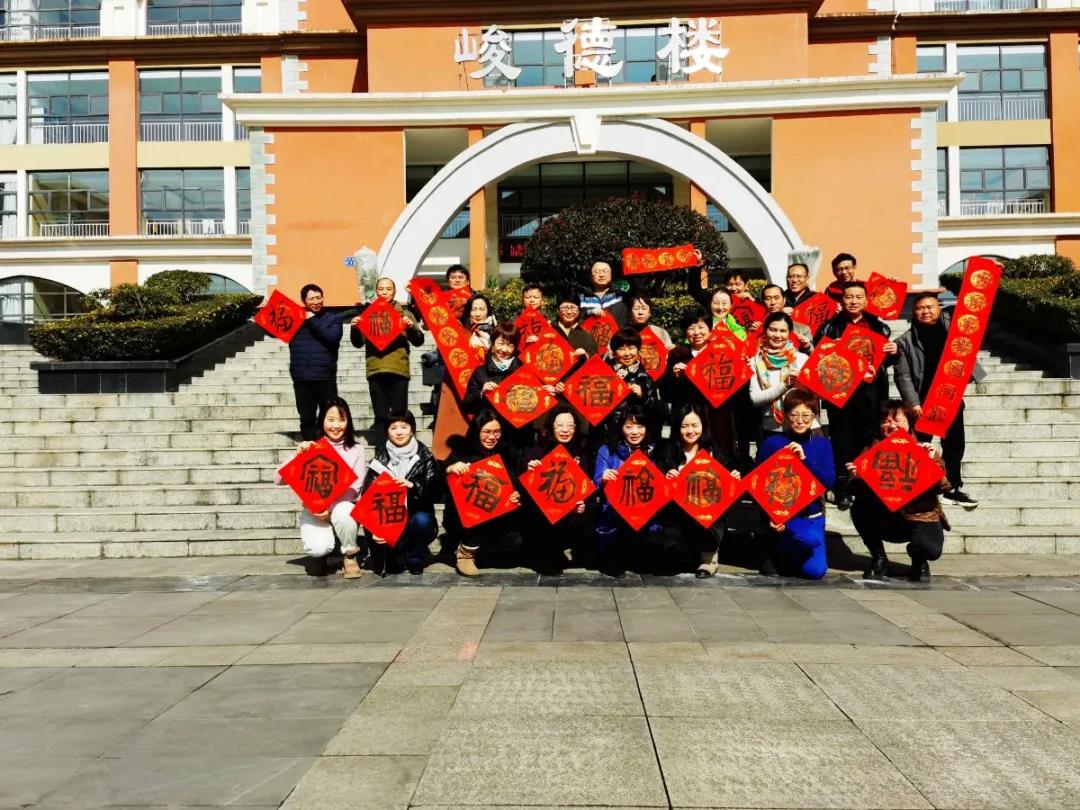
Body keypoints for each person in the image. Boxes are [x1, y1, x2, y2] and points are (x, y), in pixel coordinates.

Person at [894, 292, 984, 508]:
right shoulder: (904, 341)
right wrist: (913, 403)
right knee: (918, 446)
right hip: (923, 400)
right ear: (913, 312)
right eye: (920, 308)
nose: (925, 311)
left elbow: (976, 304)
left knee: (954, 444)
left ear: (939, 307)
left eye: (930, 307)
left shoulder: (952, 325)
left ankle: (952, 487)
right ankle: (914, 488)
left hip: (950, 397)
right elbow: (903, 376)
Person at [814, 280, 898, 510]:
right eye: (849, 297)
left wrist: (893, 351)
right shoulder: (829, 327)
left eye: (859, 297)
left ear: (866, 300)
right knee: (841, 439)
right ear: (842, 300)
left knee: (868, 437)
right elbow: (818, 358)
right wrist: (831, 347)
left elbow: (885, 360)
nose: (854, 301)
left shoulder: (879, 326)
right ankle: (842, 486)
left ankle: (863, 483)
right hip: (840, 392)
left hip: (871, 392)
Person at [847, 401, 950, 582]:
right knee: (859, 508)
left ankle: (919, 559)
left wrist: (929, 464)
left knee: (929, 549)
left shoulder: (924, 449)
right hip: (885, 517)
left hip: (921, 517)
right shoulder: (871, 451)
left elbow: (944, 486)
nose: (892, 426)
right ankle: (879, 558)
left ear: (909, 423)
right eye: (886, 421)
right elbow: (852, 490)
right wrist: (855, 477)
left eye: (898, 420)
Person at [276, 397, 366, 577]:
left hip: (341, 506)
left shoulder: (357, 450)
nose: (336, 425)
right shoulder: (312, 448)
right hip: (314, 510)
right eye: (330, 419)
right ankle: (321, 555)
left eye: (341, 419)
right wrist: (297, 455)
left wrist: (328, 507)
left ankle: (349, 555)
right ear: (322, 421)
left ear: (348, 422)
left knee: (345, 510)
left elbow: (354, 490)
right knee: (318, 550)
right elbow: (278, 479)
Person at [755, 389, 836, 580]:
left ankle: (786, 553)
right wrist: (770, 517)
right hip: (783, 517)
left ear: (814, 417)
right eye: (794, 415)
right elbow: (757, 483)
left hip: (811, 516)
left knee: (816, 571)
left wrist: (804, 460)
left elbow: (829, 482)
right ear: (785, 416)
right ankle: (777, 548)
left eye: (806, 415)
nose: (800, 420)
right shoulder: (772, 443)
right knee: (802, 544)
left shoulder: (822, 444)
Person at [653, 403, 741, 578]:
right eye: (684, 426)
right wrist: (665, 476)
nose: (690, 431)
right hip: (676, 514)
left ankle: (709, 559)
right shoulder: (667, 450)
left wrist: (733, 477)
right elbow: (656, 481)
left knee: (703, 525)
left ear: (703, 426)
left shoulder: (712, 450)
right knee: (668, 563)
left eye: (695, 425)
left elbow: (726, 483)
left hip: (707, 515)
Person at [443, 409, 524, 577]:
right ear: (477, 432)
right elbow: (437, 480)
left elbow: (515, 482)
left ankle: (483, 553)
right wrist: (450, 468)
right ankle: (466, 552)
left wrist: (516, 494)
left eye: (496, 432)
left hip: (498, 515)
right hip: (464, 518)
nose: (492, 437)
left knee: (515, 541)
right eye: (486, 432)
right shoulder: (462, 452)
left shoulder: (507, 453)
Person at [359, 409, 440, 575]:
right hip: (389, 520)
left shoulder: (425, 457)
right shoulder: (379, 460)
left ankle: (415, 557)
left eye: (404, 427)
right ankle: (397, 553)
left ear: (412, 430)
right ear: (387, 432)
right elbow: (367, 498)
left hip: (415, 514)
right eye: (393, 428)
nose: (399, 432)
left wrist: (414, 486)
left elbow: (436, 490)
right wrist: (374, 528)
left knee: (422, 521)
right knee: (392, 568)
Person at [520, 405, 595, 573]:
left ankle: (570, 549)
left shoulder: (582, 451)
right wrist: (529, 470)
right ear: (551, 427)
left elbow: (586, 484)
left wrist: (582, 503)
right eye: (560, 425)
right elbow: (525, 486)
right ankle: (545, 553)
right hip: (544, 512)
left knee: (591, 511)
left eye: (570, 425)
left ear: (576, 428)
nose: (565, 430)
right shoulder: (536, 450)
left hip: (571, 508)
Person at [594, 405, 664, 578]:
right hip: (614, 513)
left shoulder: (655, 451)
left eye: (640, 426)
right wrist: (604, 478)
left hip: (645, 514)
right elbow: (597, 481)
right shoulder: (607, 450)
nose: (635, 432)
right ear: (621, 428)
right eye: (629, 426)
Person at [350, 277, 425, 438]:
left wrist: (410, 328)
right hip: (375, 369)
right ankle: (381, 448)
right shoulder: (368, 314)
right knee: (381, 415)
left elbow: (419, 341)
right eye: (381, 289)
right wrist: (355, 328)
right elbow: (357, 343)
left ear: (395, 292)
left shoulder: (405, 314)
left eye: (388, 289)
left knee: (399, 414)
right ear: (376, 292)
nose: (385, 292)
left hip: (399, 370)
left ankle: (401, 447)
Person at [662, 307, 736, 460]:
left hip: (716, 419)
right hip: (687, 422)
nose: (696, 332)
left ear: (710, 329)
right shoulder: (678, 355)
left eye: (701, 327)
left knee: (718, 462)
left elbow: (734, 390)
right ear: (685, 332)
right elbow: (665, 394)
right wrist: (675, 378)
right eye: (691, 328)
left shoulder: (722, 353)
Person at [432, 293, 496, 459]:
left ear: (488, 311)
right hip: (461, 385)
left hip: (489, 387)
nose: (478, 313)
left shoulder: (497, 333)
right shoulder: (461, 331)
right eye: (474, 309)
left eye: (482, 309)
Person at [289, 283, 350, 441]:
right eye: (311, 299)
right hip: (302, 376)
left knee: (329, 415)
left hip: (325, 376)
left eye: (318, 298)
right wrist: (264, 311)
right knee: (306, 417)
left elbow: (333, 338)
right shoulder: (295, 317)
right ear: (304, 301)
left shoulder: (333, 319)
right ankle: (310, 447)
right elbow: (274, 329)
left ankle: (328, 447)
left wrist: (312, 321)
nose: (316, 302)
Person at [748, 312, 809, 436]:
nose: (777, 335)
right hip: (772, 427)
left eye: (783, 331)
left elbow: (814, 395)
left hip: (802, 426)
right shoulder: (755, 361)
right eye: (773, 330)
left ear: (789, 333)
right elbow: (755, 399)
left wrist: (800, 383)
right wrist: (784, 385)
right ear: (765, 331)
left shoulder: (801, 359)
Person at [605, 327, 661, 440]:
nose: (627, 354)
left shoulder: (645, 378)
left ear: (638, 350)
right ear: (614, 352)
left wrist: (642, 395)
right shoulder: (604, 374)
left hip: (636, 436)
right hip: (609, 433)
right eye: (621, 349)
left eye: (631, 348)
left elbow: (655, 411)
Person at [687, 271, 748, 340]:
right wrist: (697, 267)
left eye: (737, 284)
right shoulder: (715, 298)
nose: (733, 288)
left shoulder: (754, 305)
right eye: (729, 284)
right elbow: (695, 290)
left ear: (746, 285)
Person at [552, 291, 599, 366]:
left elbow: (596, 363)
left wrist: (586, 356)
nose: (569, 312)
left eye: (573, 308)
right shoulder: (549, 330)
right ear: (557, 310)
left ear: (579, 310)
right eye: (564, 308)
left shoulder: (587, 335)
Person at [763, 283, 813, 352]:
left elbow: (813, 354)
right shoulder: (756, 327)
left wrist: (806, 346)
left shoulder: (802, 328)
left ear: (784, 300)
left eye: (776, 298)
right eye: (768, 299)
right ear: (763, 302)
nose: (773, 302)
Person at [579, 260, 630, 327]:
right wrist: (589, 312)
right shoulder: (582, 298)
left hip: (619, 333)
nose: (601, 275)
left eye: (605, 271)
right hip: (588, 333)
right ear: (591, 276)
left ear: (611, 275)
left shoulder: (621, 296)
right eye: (596, 271)